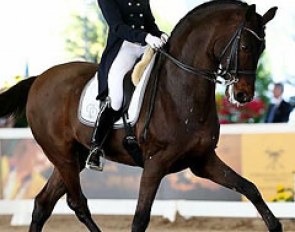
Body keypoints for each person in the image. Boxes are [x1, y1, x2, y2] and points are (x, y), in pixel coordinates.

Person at [86, 0, 168, 171]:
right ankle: (96, 146)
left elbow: (149, 22)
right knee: (116, 99)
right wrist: (145, 37)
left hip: (147, 46)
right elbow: (117, 27)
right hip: (124, 47)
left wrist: (160, 34)